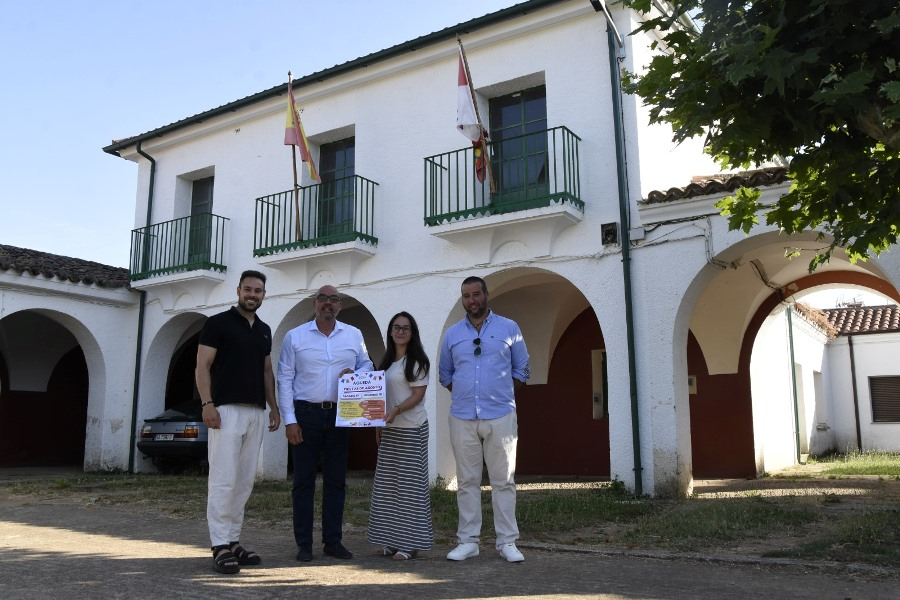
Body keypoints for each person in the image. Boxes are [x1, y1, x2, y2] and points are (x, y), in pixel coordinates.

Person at [277, 285, 373, 562]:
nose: (328, 304)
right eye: (322, 299)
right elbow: (285, 379)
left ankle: (333, 541)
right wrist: (290, 421)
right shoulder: (295, 336)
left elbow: (367, 364)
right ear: (314, 304)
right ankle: (304, 544)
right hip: (305, 414)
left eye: (333, 300)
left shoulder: (353, 335)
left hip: (340, 415)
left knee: (336, 481)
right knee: (303, 482)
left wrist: (354, 371)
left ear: (339, 306)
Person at [439, 275, 530, 563]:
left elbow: (522, 369)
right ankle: (468, 541)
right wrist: (468, 397)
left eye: (476, 294)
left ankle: (507, 542)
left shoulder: (509, 327)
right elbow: (446, 374)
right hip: (462, 417)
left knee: (503, 481)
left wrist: (499, 396)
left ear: (486, 295)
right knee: (466, 481)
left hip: (501, 415)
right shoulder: (453, 334)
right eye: (466, 296)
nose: (471, 300)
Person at [196, 269, 281, 575]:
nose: (252, 295)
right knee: (223, 479)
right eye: (248, 289)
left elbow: (267, 372)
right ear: (238, 290)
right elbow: (202, 366)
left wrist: (274, 408)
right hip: (225, 410)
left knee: (244, 481)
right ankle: (219, 545)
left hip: (255, 412)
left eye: (258, 291)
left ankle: (233, 541)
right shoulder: (217, 323)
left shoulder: (264, 330)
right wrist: (207, 404)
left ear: (263, 295)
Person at [367, 311, 433, 561]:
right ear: (391, 331)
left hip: (412, 429)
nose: (401, 331)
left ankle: (411, 543)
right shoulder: (387, 363)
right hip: (390, 431)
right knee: (389, 487)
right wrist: (377, 425)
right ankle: (392, 541)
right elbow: (378, 397)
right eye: (396, 327)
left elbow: (418, 396)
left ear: (412, 332)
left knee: (410, 488)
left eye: (406, 328)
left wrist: (395, 410)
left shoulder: (417, 362)